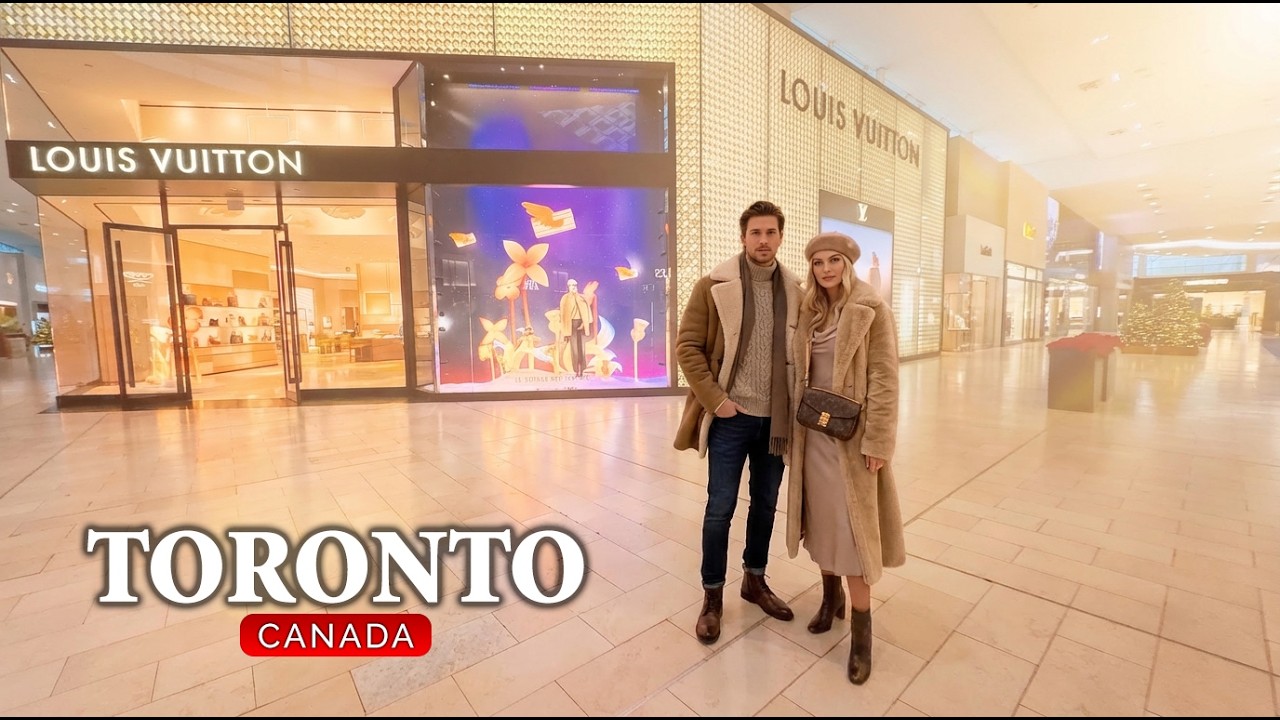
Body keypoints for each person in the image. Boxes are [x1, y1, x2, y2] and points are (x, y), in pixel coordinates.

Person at [674, 200, 803, 644]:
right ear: (743, 237)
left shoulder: (796, 291)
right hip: (731, 418)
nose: (763, 241)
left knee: (765, 505)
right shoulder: (713, 286)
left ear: (780, 237)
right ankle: (712, 595)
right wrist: (718, 401)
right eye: (755, 233)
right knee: (720, 508)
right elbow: (688, 347)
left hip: (776, 422)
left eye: (771, 233)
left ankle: (754, 579)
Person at [787, 231, 905, 685]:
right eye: (818, 263)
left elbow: (885, 379)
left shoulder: (871, 309)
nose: (825, 270)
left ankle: (861, 636)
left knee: (853, 534)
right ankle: (830, 598)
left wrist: (878, 442)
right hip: (812, 437)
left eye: (834, 260)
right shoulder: (809, 311)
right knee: (821, 525)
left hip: (852, 441)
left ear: (848, 264)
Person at [560, 279, 592, 377]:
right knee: (574, 349)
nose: (573, 287)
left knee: (581, 348)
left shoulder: (581, 298)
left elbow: (587, 312)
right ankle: (577, 370)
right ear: (568, 286)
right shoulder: (565, 298)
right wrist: (565, 329)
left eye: (574, 285)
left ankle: (582, 369)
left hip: (581, 323)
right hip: (571, 325)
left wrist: (584, 323)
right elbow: (563, 314)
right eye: (571, 285)